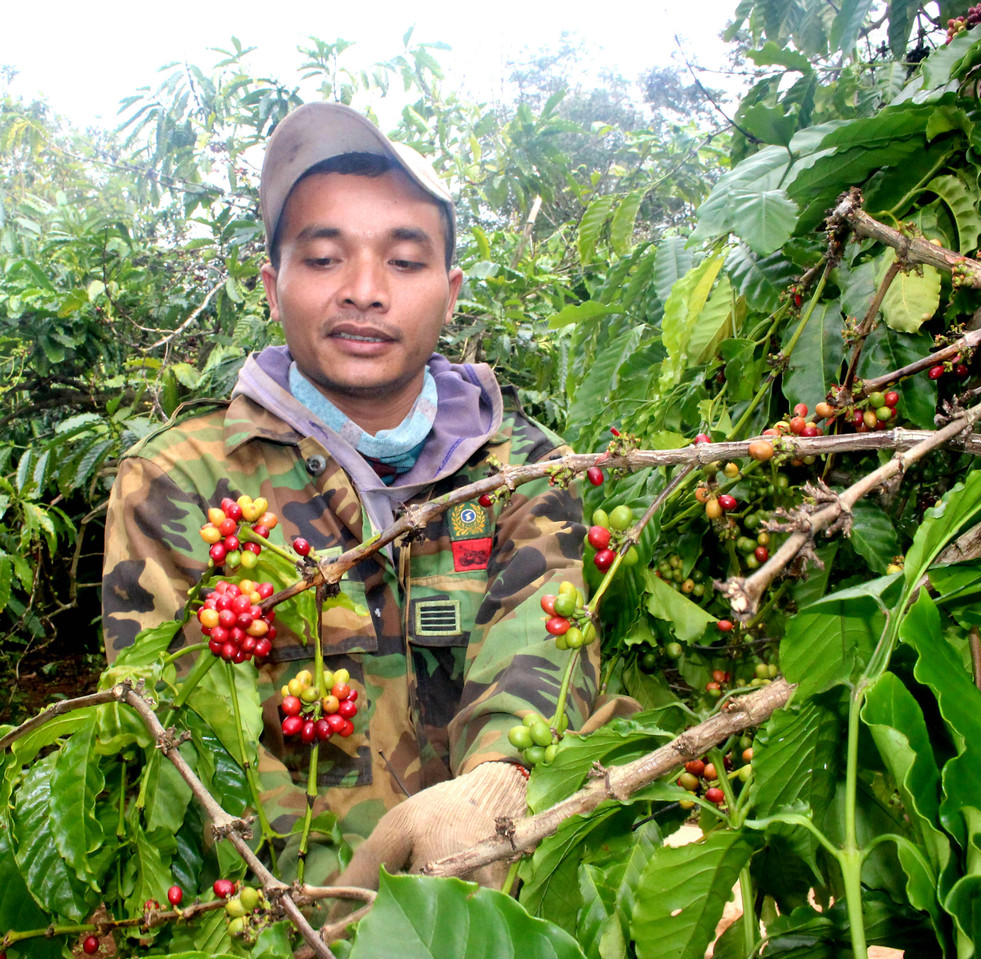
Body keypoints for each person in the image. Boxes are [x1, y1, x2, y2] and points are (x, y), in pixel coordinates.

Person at [101, 102, 604, 887]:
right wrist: (333, 907)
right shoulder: (180, 481)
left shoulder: (525, 468)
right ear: (274, 288)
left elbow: (541, 659)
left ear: (450, 291)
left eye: (403, 261)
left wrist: (497, 792)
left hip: (497, 908)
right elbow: (186, 740)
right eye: (325, 258)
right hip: (288, 918)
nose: (365, 291)